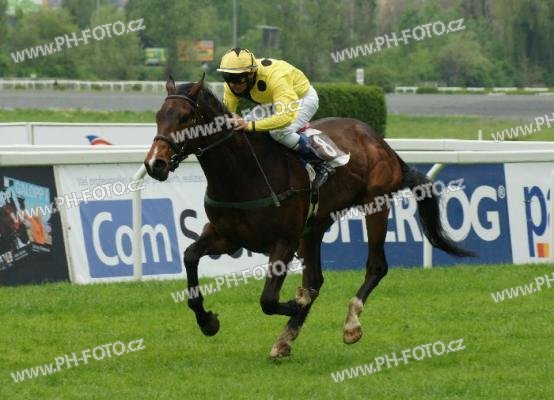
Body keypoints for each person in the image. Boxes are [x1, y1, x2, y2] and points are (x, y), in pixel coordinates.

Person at [217, 48, 349, 187]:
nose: (232, 84)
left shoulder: (276, 77)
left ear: (251, 74)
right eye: (227, 78)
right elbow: (227, 117)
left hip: (301, 100)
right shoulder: (231, 83)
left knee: (278, 132)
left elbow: (284, 118)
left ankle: (321, 162)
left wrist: (250, 125)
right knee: (240, 126)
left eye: (238, 79)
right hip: (273, 102)